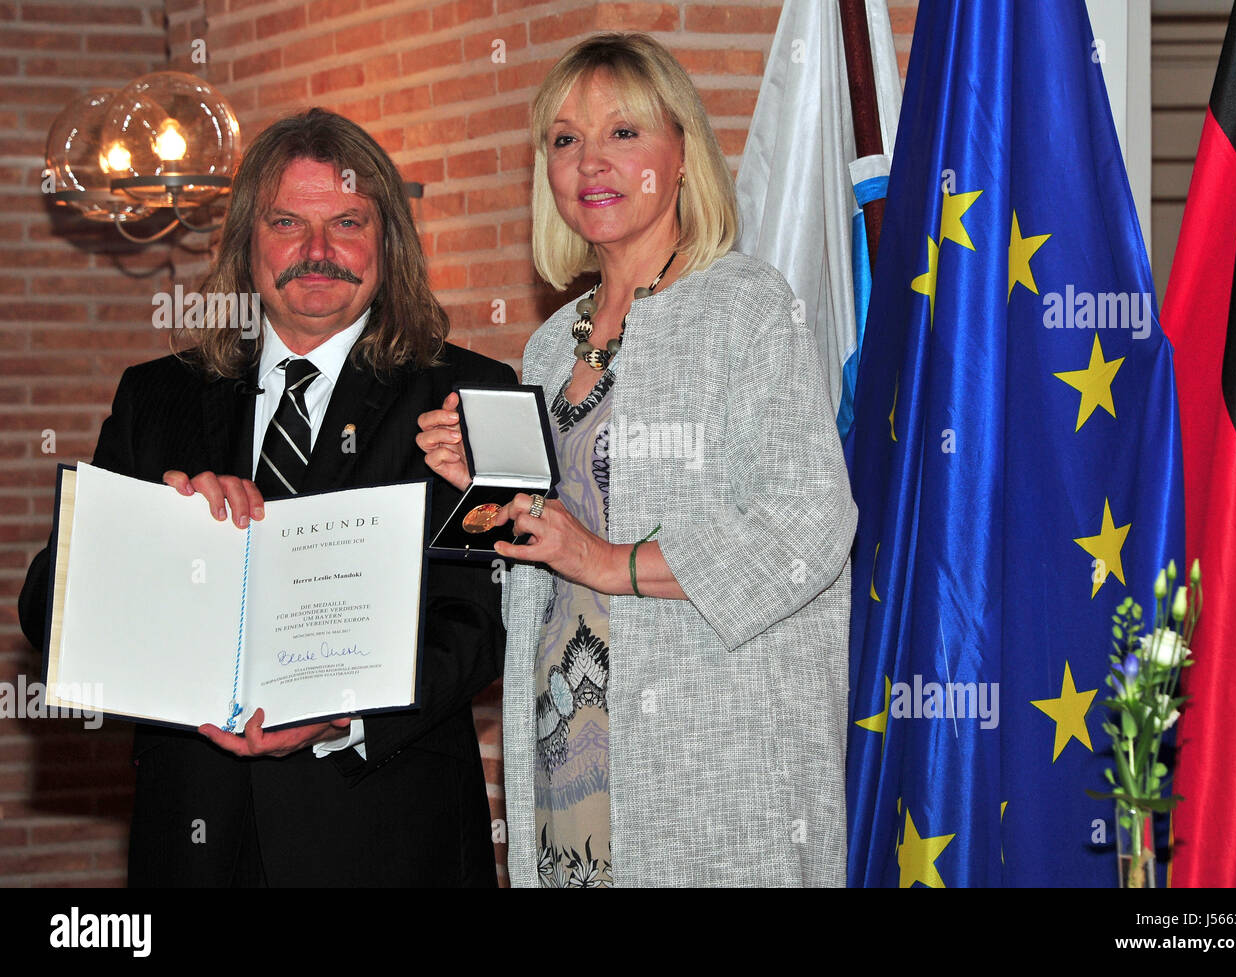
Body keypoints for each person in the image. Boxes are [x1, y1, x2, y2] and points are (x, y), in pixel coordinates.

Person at [18, 108, 515, 887]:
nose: (318, 252)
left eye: (347, 221)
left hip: (387, 842)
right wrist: (156, 526)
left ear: (387, 244)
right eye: (287, 221)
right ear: (248, 242)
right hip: (194, 845)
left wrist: (345, 711)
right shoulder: (157, 397)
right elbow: (49, 603)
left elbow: (485, 618)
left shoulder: (472, 394)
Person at [418, 33, 855, 887]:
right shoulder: (549, 347)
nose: (592, 160)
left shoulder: (746, 306)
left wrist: (613, 563)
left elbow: (808, 519)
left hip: (712, 764)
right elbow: (551, 543)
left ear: (683, 154)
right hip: (568, 749)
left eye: (624, 132)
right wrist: (486, 489)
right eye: (566, 138)